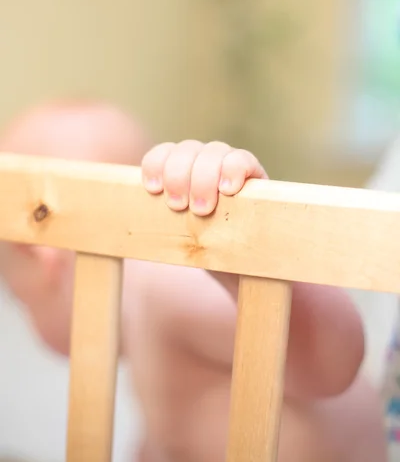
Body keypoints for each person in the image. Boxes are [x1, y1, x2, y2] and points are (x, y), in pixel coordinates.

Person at [0, 100, 387, 462]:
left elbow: (333, 359)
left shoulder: (160, 284)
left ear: (39, 256)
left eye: (19, 300)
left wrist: (240, 256)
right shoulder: (147, 326)